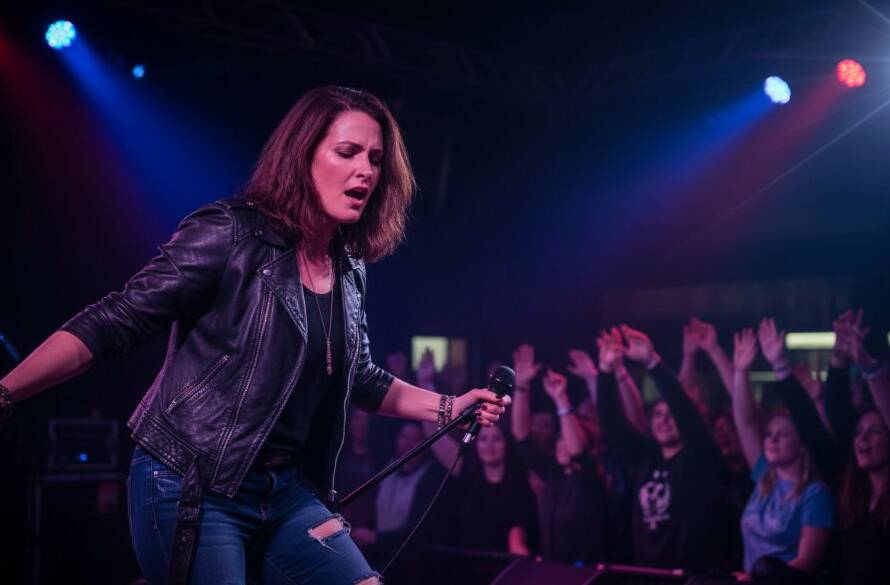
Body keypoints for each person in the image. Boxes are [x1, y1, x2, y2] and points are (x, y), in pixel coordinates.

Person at [0, 86, 509, 585]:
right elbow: (114, 321)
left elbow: (360, 379)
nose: (366, 171)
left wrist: (448, 407)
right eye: (348, 152)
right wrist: (6, 392)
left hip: (287, 491)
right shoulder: (231, 233)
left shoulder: (349, 265)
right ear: (302, 156)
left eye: (375, 159)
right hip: (191, 481)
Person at [596, 325, 724, 571]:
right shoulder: (646, 456)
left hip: (689, 577)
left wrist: (652, 362)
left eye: (670, 415)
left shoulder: (699, 456)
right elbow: (611, 423)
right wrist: (605, 370)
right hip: (648, 574)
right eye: (657, 414)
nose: (664, 421)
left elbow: (685, 411)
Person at [731, 324, 833, 577]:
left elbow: (806, 561)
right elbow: (745, 421)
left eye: (783, 434)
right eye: (769, 434)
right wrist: (740, 371)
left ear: (802, 445)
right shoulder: (764, 473)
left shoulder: (815, 494)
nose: (772, 440)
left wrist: (757, 580)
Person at [511, 352, 608, 565]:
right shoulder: (553, 473)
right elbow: (521, 434)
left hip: (587, 574)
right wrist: (521, 385)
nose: (563, 444)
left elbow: (578, 451)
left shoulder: (591, 477)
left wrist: (561, 399)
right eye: (560, 439)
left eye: (569, 437)